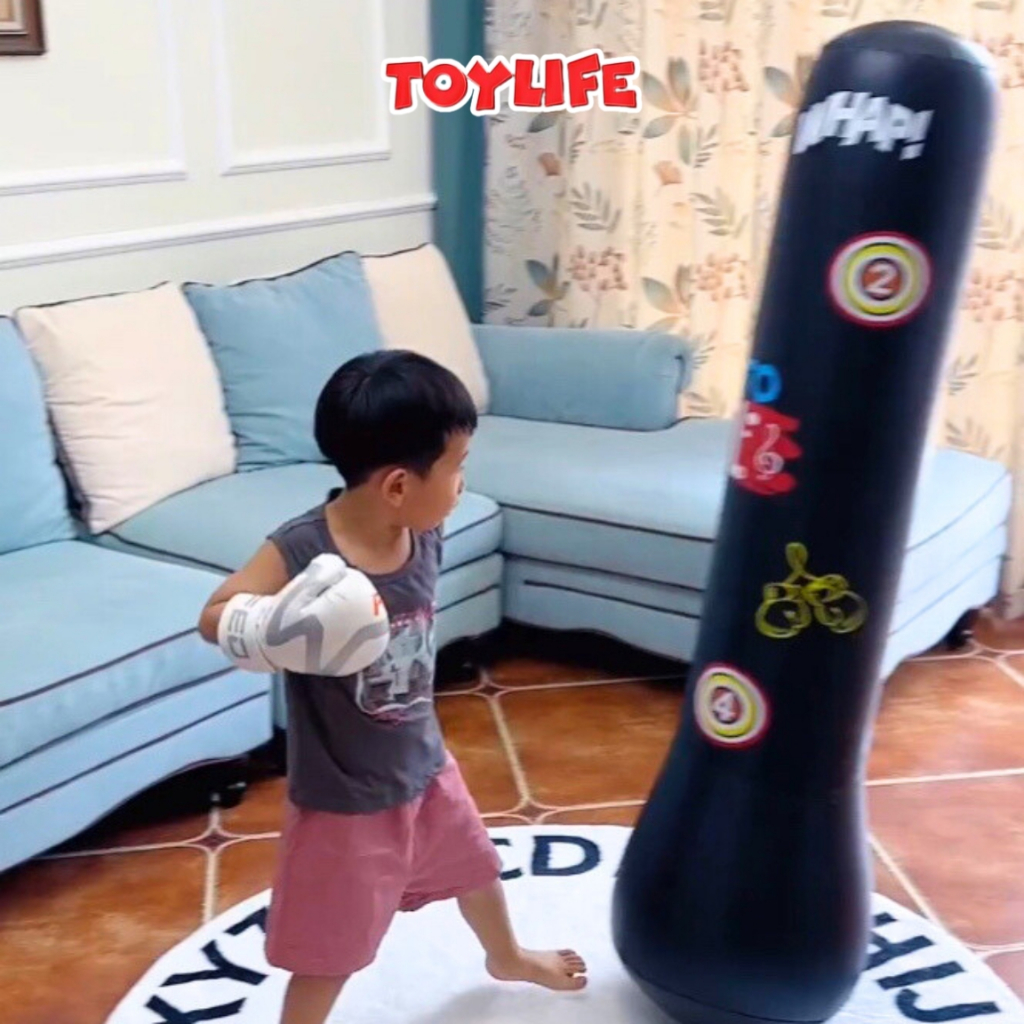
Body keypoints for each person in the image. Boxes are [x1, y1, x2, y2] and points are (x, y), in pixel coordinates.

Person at [198, 350, 587, 1024]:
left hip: (423, 763)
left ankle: (506, 956)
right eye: (457, 467)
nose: (462, 484)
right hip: (344, 797)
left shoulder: (421, 531)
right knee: (331, 949)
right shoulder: (302, 550)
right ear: (400, 486)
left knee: (475, 865)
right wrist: (277, 626)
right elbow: (214, 614)